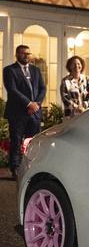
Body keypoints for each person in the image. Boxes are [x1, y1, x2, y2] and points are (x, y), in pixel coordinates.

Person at [2, 45, 46, 179]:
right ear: (17, 54)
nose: (26, 56)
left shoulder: (35, 70)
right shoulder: (9, 70)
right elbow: (12, 90)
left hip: (34, 113)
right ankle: (15, 169)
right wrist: (29, 103)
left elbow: (42, 88)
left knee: (32, 141)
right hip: (17, 113)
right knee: (16, 141)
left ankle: (31, 167)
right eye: (23, 53)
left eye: (28, 53)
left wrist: (36, 104)